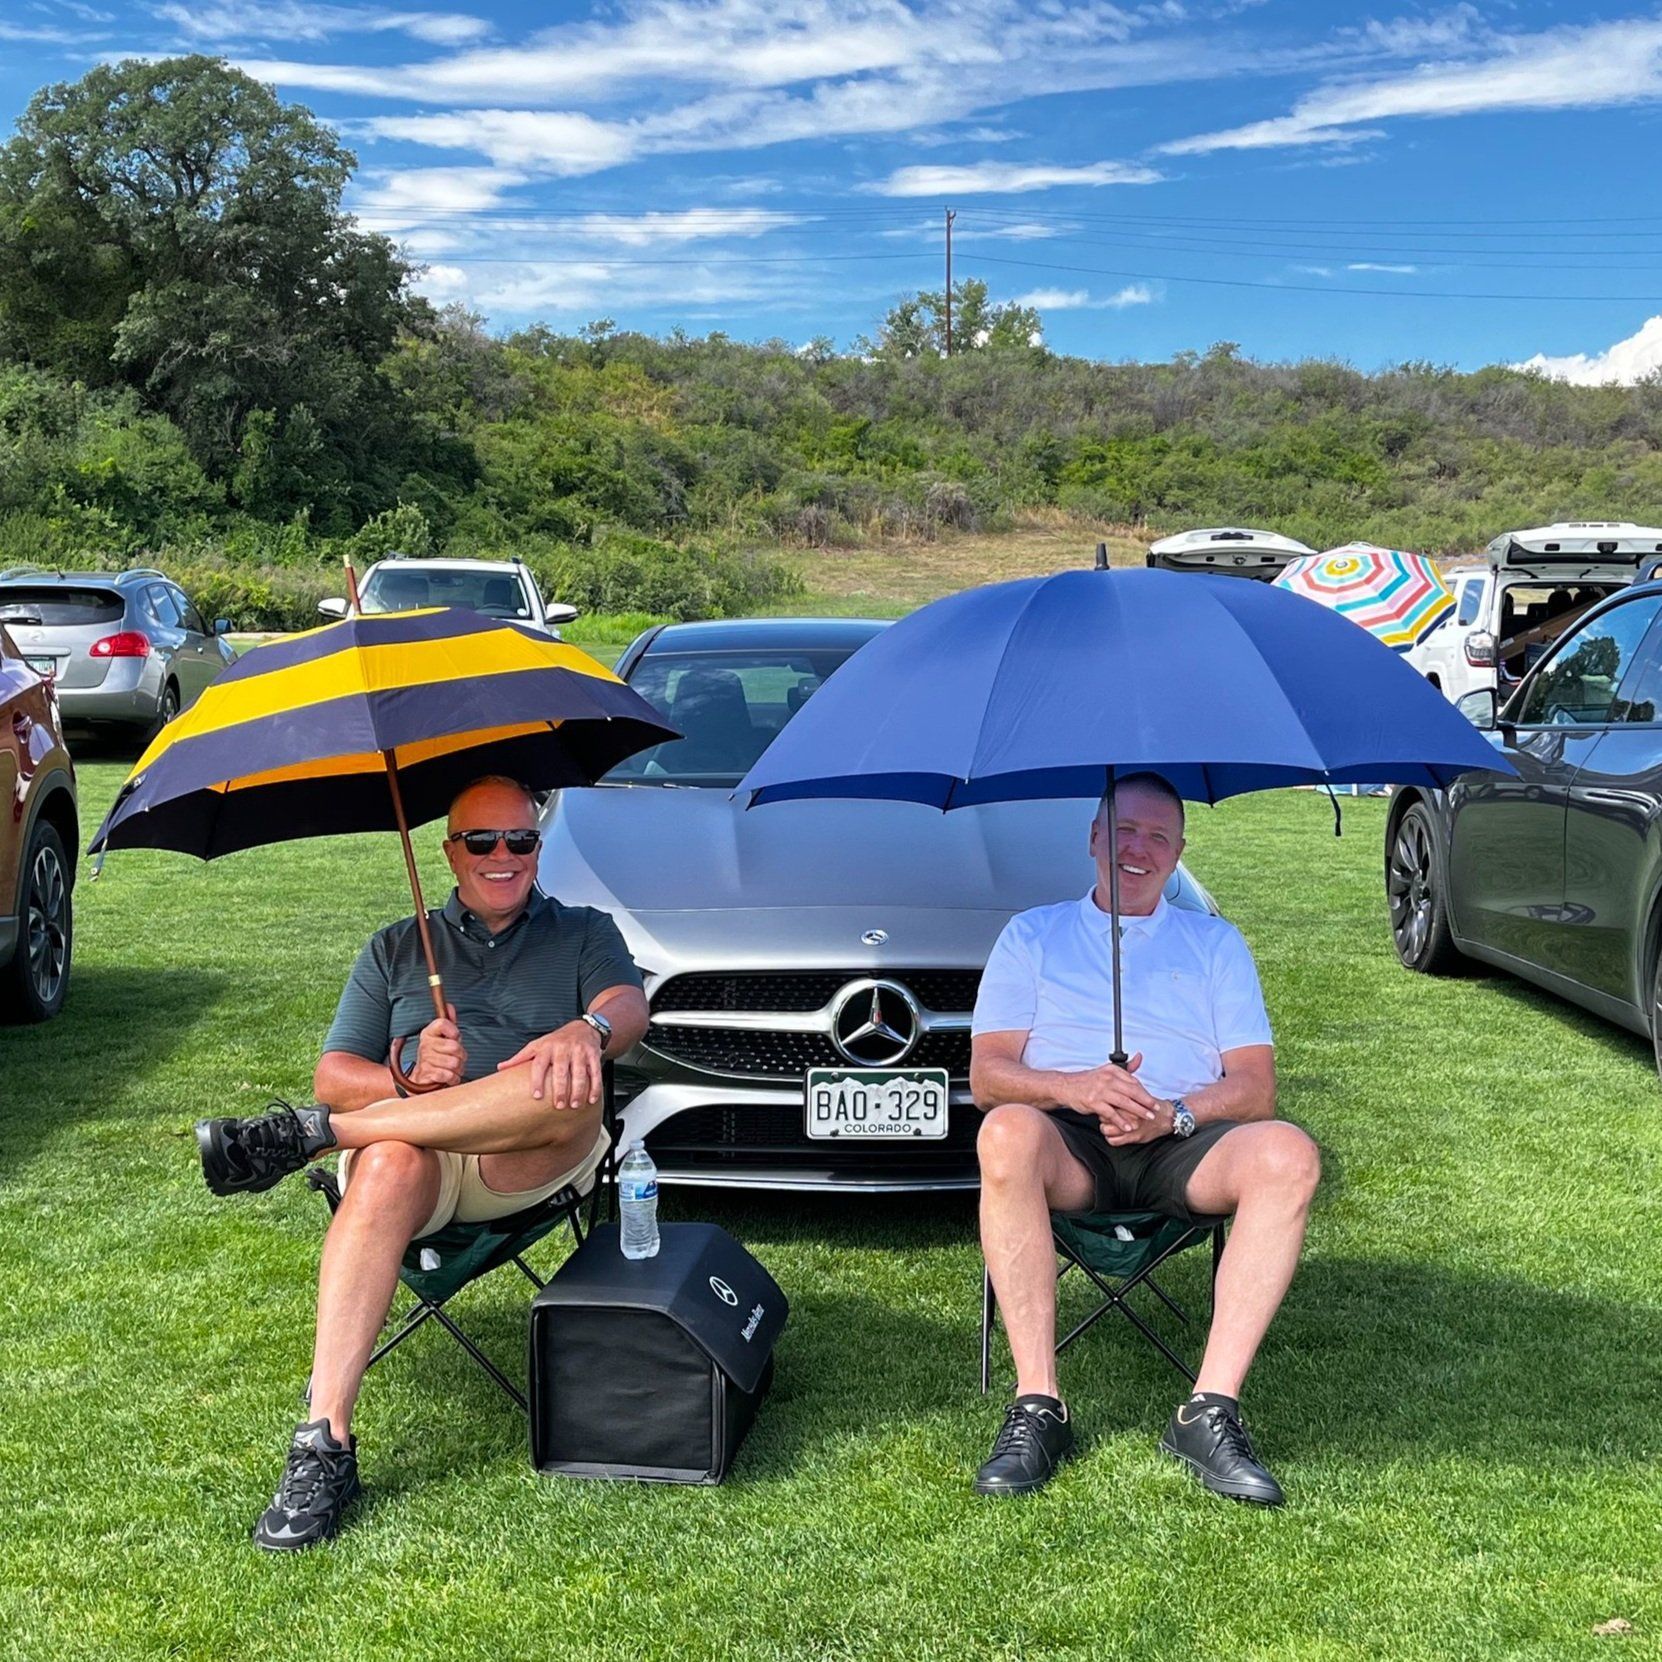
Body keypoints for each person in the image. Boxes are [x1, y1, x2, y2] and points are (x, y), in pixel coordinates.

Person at [194, 775, 649, 1550]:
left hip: (531, 1158)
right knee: (391, 1160)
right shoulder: (397, 946)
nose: (503, 856)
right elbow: (335, 1073)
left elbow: (628, 1008)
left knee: (566, 1085)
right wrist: (404, 1070)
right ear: (449, 850)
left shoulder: (582, 931)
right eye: (482, 841)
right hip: (424, 1171)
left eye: (522, 840)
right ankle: (323, 1445)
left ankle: (316, 1137)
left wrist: (586, 1029)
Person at [970, 773, 1319, 1506]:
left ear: (1181, 853)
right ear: (1094, 839)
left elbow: (1255, 1087)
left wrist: (1172, 1114)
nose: (1140, 849)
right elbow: (989, 1076)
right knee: (1004, 1133)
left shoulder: (1214, 942)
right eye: (1125, 830)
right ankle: (1039, 1405)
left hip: (1182, 1143)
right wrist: (1076, 1087)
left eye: (1159, 837)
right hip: (1070, 1144)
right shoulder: (1033, 934)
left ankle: (1208, 1410)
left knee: (1289, 1152)